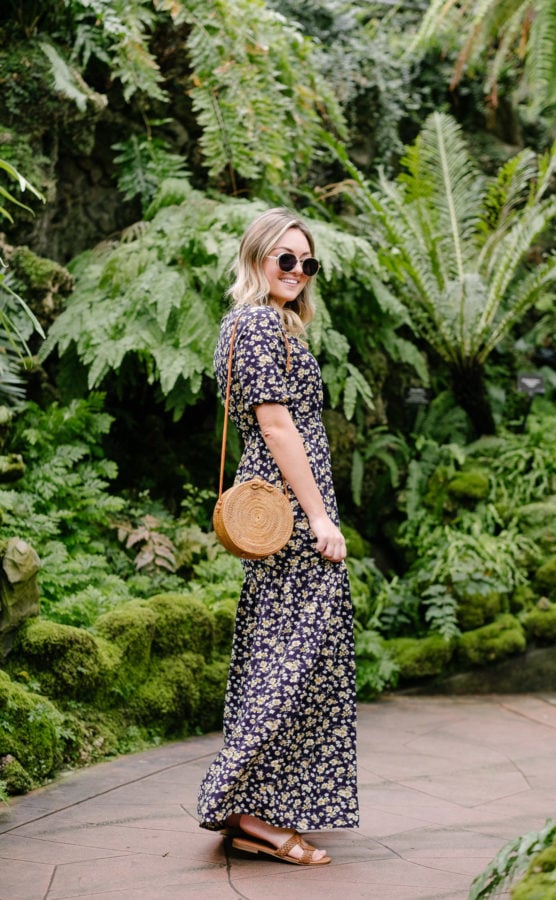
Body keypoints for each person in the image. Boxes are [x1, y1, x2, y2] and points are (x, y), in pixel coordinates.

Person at [197, 207, 359, 867]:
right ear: (257, 257)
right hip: (292, 514)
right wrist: (319, 517)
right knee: (292, 660)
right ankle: (244, 807)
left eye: (306, 262)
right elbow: (277, 426)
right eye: (284, 258)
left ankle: (259, 806)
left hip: (283, 509)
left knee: (285, 655)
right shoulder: (259, 321)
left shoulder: (254, 323)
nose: (296, 271)